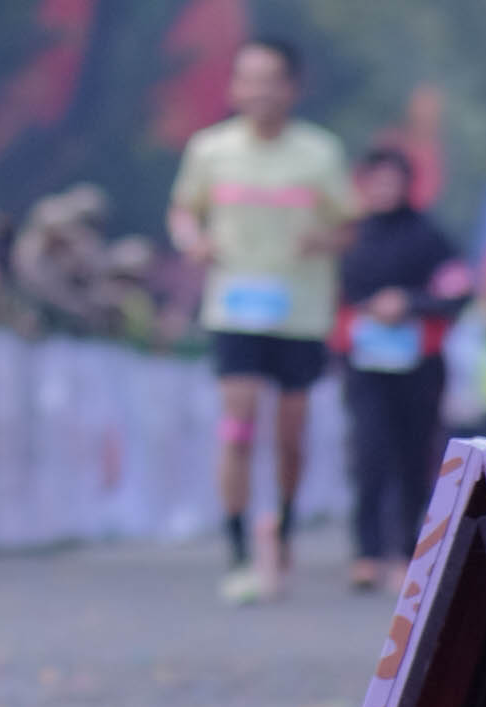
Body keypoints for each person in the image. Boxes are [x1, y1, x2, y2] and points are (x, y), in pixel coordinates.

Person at [167, 36, 352, 603]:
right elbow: (184, 211)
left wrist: (323, 239)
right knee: (239, 420)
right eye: (248, 78)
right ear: (234, 86)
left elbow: (350, 225)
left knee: (289, 435)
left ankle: (284, 529)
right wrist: (193, 241)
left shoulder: (320, 153)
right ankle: (238, 550)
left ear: (292, 88)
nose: (259, 91)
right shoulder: (210, 149)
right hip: (234, 306)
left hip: (299, 312)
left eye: (271, 80)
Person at [334, 146, 470, 592]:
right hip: (363, 364)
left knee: (413, 457)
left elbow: (457, 291)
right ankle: (366, 551)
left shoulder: (429, 237)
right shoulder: (349, 236)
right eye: (376, 181)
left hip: (419, 365)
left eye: (392, 181)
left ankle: (408, 549)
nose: (384, 189)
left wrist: (409, 303)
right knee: (368, 453)